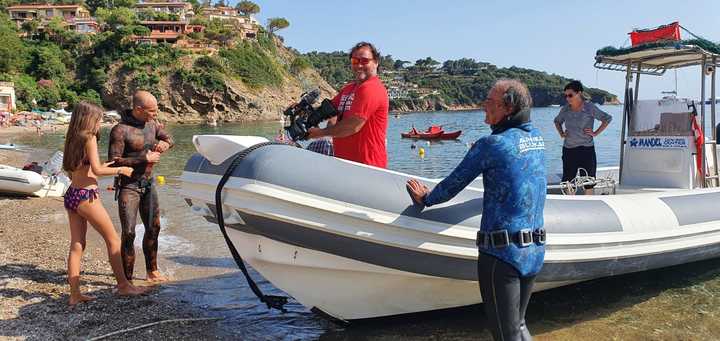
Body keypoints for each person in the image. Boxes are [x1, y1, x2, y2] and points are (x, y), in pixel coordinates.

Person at [407, 80, 546, 340]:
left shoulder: (491, 145)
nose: (484, 106)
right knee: (519, 326)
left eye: (489, 102)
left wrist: (426, 198)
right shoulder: (536, 139)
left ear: (508, 107)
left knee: (505, 334)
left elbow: (453, 184)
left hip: (501, 256)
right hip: (534, 251)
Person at [62, 101, 149, 306]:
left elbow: (82, 168)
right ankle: (124, 286)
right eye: (99, 118)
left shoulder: (72, 137)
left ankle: (75, 295)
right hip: (86, 197)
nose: (101, 122)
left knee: (77, 245)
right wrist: (121, 170)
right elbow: (98, 172)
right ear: (89, 119)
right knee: (113, 241)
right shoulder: (89, 137)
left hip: (72, 194)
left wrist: (108, 164)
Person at [108, 90, 174, 282]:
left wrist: (165, 145)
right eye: (152, 110)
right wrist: (144, 158)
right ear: (138, 109)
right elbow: (113, 162)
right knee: (129, 233)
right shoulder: (120, 130)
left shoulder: (152, 124)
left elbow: (170, 139)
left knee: (154, 228)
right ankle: (127, 280)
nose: (156, 113)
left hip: (148, 183)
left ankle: (151, 271)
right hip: (129, 186)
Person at [306, 41, 389, 168]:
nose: (359, 65)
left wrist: (320, 133)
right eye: (355, 61)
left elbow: (352, 126)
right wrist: (303, 112)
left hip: (368, 168)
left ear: (376, 62)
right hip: (346, 165)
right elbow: (328, 111)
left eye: (365, 61)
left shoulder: (372, 88)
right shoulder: (349, 89)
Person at [554, 80, 612, 195]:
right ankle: (570, 205)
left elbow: (607, 119)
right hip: (569, 150)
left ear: (579, 93)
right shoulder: (565, 109)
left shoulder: (590, 107)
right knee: (568, 181)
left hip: (586, 150)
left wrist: (595, 133)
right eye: (566, 95)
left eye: (570, 95)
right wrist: (561, 134)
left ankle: (588, 205)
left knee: (588, 181)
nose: (567, 98)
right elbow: (557, 121)